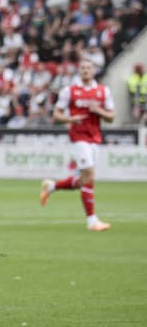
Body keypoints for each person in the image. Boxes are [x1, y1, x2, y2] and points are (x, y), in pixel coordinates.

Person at [39, 58, 115, 231]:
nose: (85, 70)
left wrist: (99, 111)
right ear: (79, 71)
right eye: (82, 68)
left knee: (84, 179)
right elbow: (56, 116)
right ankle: (92, 221)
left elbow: (111, 117)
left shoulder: (103, 91)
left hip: (95, 138)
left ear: (94, 70)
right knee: (90, 174)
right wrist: (70, 119)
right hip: (78, 137)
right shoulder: (69, 91)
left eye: (88, 68)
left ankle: (51, 186)